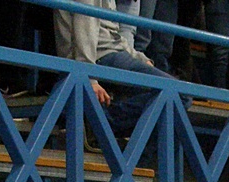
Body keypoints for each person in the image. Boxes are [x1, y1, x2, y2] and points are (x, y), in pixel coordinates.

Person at [54, 0, 182, 137]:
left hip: (106, 54)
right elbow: (85, 28)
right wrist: (89, 77)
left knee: (175, 99)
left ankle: (100, 123)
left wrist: (139, 58)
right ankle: (100, 122)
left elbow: (112, 35)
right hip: (100, 57)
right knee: (178, 95)